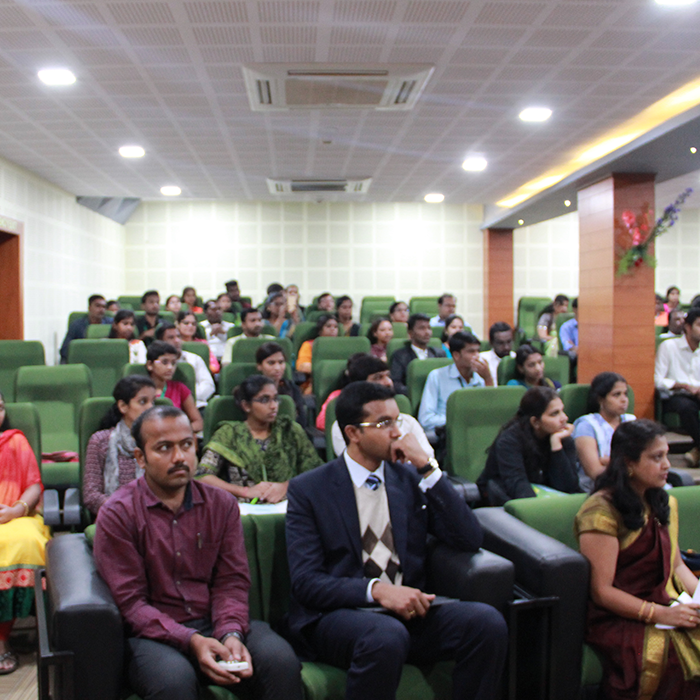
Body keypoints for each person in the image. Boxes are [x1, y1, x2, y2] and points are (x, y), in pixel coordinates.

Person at [284, 381, 508, 700]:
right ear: (353, 433)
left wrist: (428, 468)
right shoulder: (310, 489)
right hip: (340, 616)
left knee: (486, 623)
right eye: (384, 423)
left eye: (397, 421)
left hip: (407, 615)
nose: (397, 432)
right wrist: (378, 591)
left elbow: (469, 537)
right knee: (385, 635)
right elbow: (306, 582)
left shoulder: (409, 479)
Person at [94, 406, 302, 700]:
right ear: (140, 457)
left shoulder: (221, 504)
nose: (179, 457)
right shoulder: (118, 513)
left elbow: (231, 581)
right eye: (164, 448)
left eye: (186, 445)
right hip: (153, 634)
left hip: (214, 621)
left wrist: (230, 632)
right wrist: (191, 640)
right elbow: (131, 604)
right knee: (173, 681)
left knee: (280, 661)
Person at [575, 420, 700, 700]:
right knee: (672, 657)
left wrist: (698, 596)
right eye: (656, 457)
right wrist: (660, 614)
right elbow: (602, 591)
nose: (667, 465)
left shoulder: (664, 503)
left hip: (665, 601)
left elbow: (677, 566)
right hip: (619, 616)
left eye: (667, 455)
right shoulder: (601, 511)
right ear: (628, 463)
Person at [197, 376, 321, 503]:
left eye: (275, 399)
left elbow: (316, 473)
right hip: (241, 508)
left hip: (288, 505)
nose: (273, 406)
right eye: (265, 400)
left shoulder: (290, 430)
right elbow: (203, 477)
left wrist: (286, 486)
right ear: (246, 406)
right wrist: (244, 491)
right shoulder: (229, 433)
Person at [0, 391, 49, 675]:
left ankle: (2, 639)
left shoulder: (15, 440)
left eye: (0, 408)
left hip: (16, 515)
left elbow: (33, 484)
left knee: (26, 542)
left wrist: (16, 510)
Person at [477, 386, 579, 505]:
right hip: (502, 502)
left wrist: (556, 446)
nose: (564, 418)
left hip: (543, 499)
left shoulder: (561, 437)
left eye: (562, 411)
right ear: (535, 422)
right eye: (554, 414)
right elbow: (518, 488)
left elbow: (568, 487)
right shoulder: (509, 441)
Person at [322, 355, 434, 458]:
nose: (388, 382)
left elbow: (429, 458)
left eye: (388, 376)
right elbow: (356, 463)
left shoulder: (408, 421)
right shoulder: (344, 427)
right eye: (378, 377)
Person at [83, 376, 156, 516]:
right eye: (143, 402)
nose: (150, 408)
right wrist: (123, 510)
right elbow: (91, 495)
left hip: (154, 514)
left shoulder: (159, 441)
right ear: (123, 406)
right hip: (113, 515)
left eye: (153, 402)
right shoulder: (100, 441)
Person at [573, 372, 636, 492]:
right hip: (597, 491)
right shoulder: (587, 426)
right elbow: (595, 473)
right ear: (600, 399)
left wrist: (609, 462)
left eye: (625, 394)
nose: (624, 400)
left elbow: (644, 462)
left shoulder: (631, 422)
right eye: (616, 395)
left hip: (633, 485)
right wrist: (628, 466)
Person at [418, 332, 493, 431]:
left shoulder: (481, 377)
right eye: (471, 352)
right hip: (446, 432)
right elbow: (426, 419)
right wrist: (459, 421)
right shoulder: (437, 376)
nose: (477, 356)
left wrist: (488, 379)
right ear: (456, 355)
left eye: (478, 351)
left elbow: (491, 414)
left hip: (477, 431)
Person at [655, 306, 700, 467]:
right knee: (687, 408)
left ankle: (697, 451)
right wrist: (685, 386)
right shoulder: (669, 346)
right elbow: (658, 380)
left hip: (697, 395)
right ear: (687, 327)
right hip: (674, 396)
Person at [145, 341, 203, 432]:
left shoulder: (180, 388)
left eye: (173, 363)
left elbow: (198, 422)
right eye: (164, 362)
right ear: (150, 365)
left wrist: (178, 431)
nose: (170, 367)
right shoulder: (141, 390)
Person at [156, 323, 215, 411]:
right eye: (171, 338)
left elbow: (208, 385)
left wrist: (187, 397)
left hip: (197, 405)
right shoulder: (155, 362)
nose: (177, 341)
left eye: (178, 337)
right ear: (160, 341)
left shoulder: (195, 359)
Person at [390, 313, 446, 395]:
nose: (427, 332)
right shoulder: (400, 355)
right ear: (410, 333)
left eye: (429, 328)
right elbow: (396, 383)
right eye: (422, 328)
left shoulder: (439, 354)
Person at [255, 342, 306, 426]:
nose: (277, 368)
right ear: (259, 366)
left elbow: (302, 421)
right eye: (271, 363)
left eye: (281, 362)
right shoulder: (251, 389)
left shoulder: (293, 389)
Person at [296, 315, 339, 394]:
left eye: (336, 327)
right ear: (320, 330)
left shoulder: (341, 346)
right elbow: (302, 366)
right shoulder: (309, 345)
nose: (333, 329)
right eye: (328, 326)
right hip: (313, 382)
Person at [59, 294, 109, 362]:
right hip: (82, 359)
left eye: (104, 307)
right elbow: (65, 350)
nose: (101, 310)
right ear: (89, 308)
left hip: (105, 359)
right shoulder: (77, 325)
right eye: (98, 306)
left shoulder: (110, 324)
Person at [177, 310, 220, 375]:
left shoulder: (203, 344)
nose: (190, 326)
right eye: (186, 323)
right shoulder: (174, 343)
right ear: (178, 324)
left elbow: (215, 367)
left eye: (193, 324)